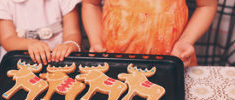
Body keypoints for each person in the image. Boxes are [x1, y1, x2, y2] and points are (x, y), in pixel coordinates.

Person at [82, 0, 217, 67]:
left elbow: (206, 5)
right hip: (114, 62)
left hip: (173, 63)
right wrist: (96, 41)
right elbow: (90, 4)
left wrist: (185, 41)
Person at [0, 0, 82, 64]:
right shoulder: (0, 2)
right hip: (19, 61)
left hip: (60, 61)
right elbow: (7, 39)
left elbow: (72, 33)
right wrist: (30, 44)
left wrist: (69, 45)